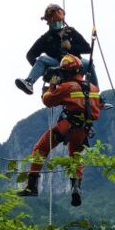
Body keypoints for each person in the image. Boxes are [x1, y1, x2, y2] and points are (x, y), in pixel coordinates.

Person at [16, 54, 101, 207]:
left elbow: (48, 100)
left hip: (67, 126)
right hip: (84, 130)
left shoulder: (67, 87)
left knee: (41, 148)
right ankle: (76, 187)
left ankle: (32, 185)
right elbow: (96, 111)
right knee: (75, 157)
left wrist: (51, 86)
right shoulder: (93, 88)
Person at [15, 4, 99, 95]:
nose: (54, 23)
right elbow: (30, 54)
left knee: (90, 64)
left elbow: (87, 49)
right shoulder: (46, 38)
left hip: (75, 64)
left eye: (56, 20)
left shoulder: (71, 32)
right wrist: (44, 71)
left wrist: (71, 47)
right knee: (42, 59)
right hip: (59, 66)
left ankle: (96, 93)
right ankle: (29, 82)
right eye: (51, 21)